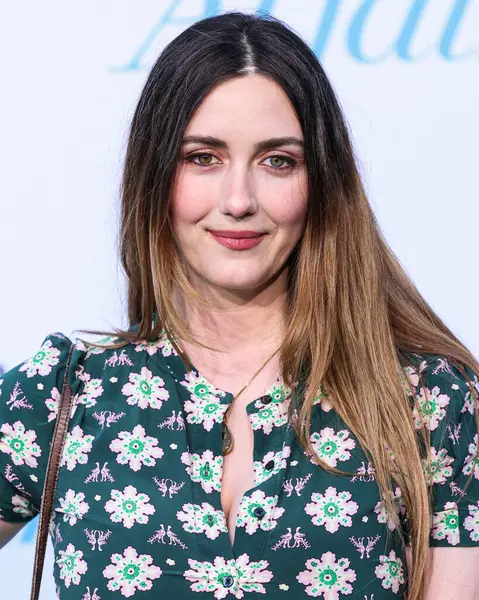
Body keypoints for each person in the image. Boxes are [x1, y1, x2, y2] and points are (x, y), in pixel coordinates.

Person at [1, 10, 478, 600]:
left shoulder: (428, 399)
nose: (238, 200)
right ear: (154, 174)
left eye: (278, 161)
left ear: (321, 182)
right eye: (203, 157)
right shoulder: (64, 394)